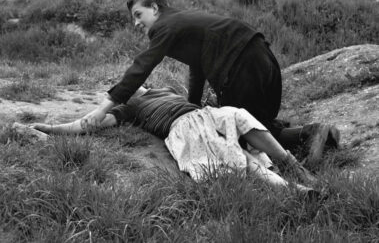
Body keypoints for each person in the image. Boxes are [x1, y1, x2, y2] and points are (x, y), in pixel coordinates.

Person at [79, 0, 340, 164]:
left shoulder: (164, 26)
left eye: (138, 15)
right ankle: (310, 136)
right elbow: (198, 66)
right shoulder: (182, 21)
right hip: (261, 56)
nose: (136, 23)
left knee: (237, 130)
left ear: (155, 9)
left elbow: (141, 67)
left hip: (241, 65)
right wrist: (192, 104)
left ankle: (309, 134)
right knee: (252, 123)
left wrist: (105, 108)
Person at [30, 86, 318, 193]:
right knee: (234, 156)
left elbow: (194, 92)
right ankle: (294, 191)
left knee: (240, 116)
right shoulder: (127, 108)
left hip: (207, 114)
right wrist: (49, 128)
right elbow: (86, 124)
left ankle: (292, 164)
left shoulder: (163, 89)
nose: (132, 87)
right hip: (183, 128)